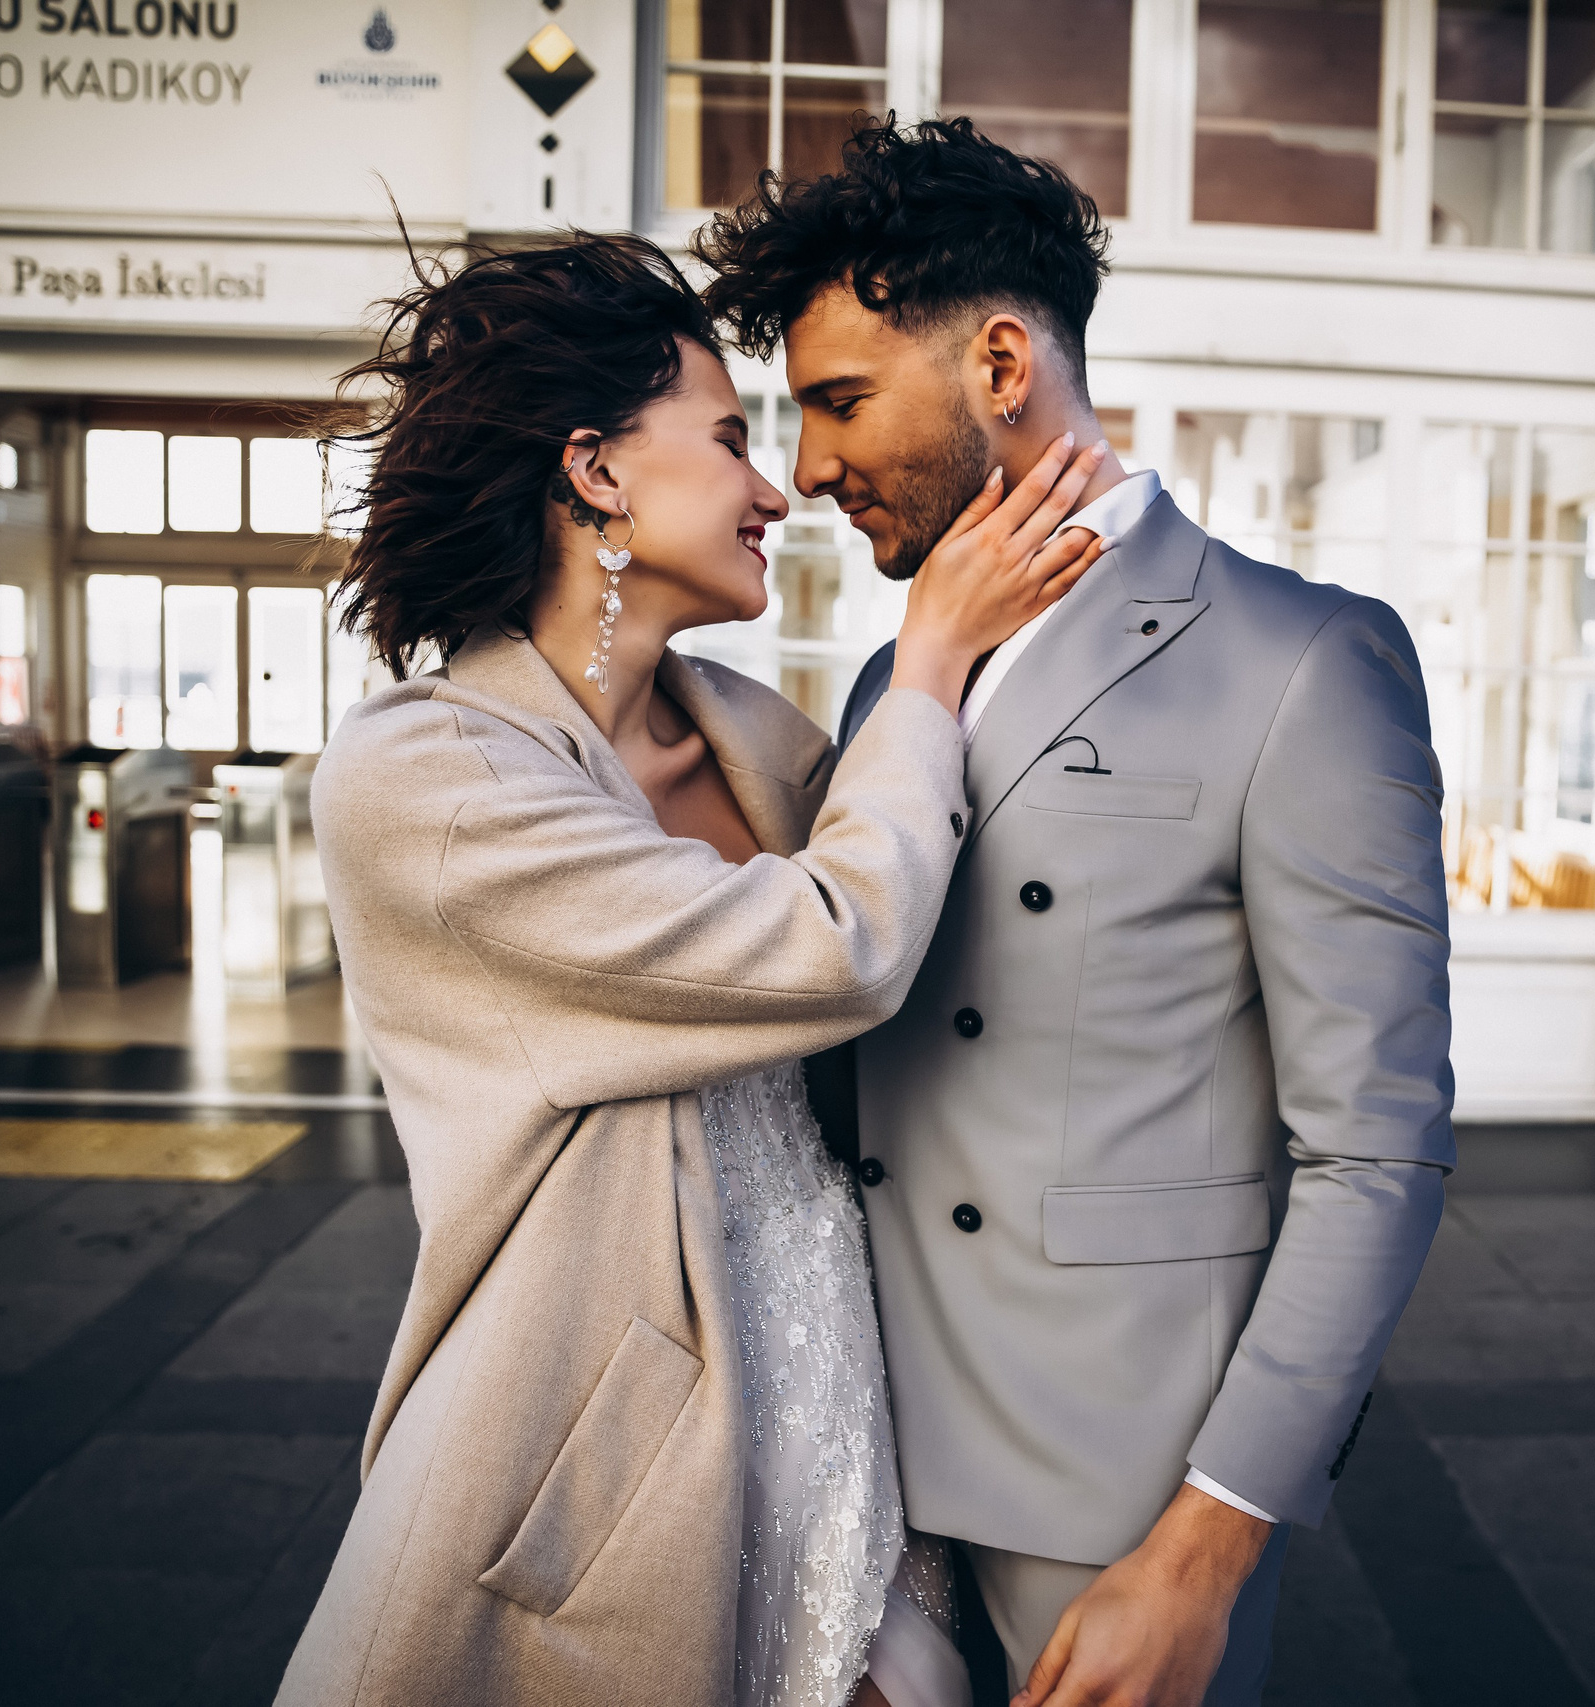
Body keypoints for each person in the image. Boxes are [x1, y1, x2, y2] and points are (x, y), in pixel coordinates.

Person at [275, 232, 1110, 1707]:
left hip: (854, 1422)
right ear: (597, 471)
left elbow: (933, 938)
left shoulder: (757, 736)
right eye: (731, 439)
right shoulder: (426, 777)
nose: (779, 489)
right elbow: (838, 945)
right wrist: (926, 665)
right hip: (600, 1477)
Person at [697, 118, 1458, 1707]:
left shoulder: (1304, 661)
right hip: (864, 1458)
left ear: (997, 362)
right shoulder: (893, 680)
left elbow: (1374, 1151)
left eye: (842, 402)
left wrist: (1207, 1545)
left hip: (1113, 1497)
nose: (813, 466)